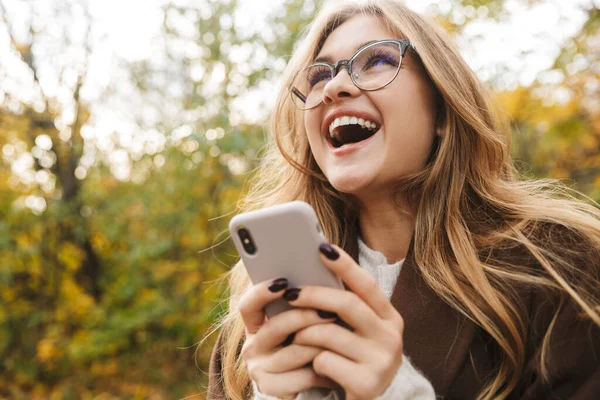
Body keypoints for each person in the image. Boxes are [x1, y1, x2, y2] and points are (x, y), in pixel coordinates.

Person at [205, 0, 600, 399]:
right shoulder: (260, 315)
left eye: (376, 60)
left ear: (443, 111)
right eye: (318, 76)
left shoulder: (559, 267)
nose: (334, 87)